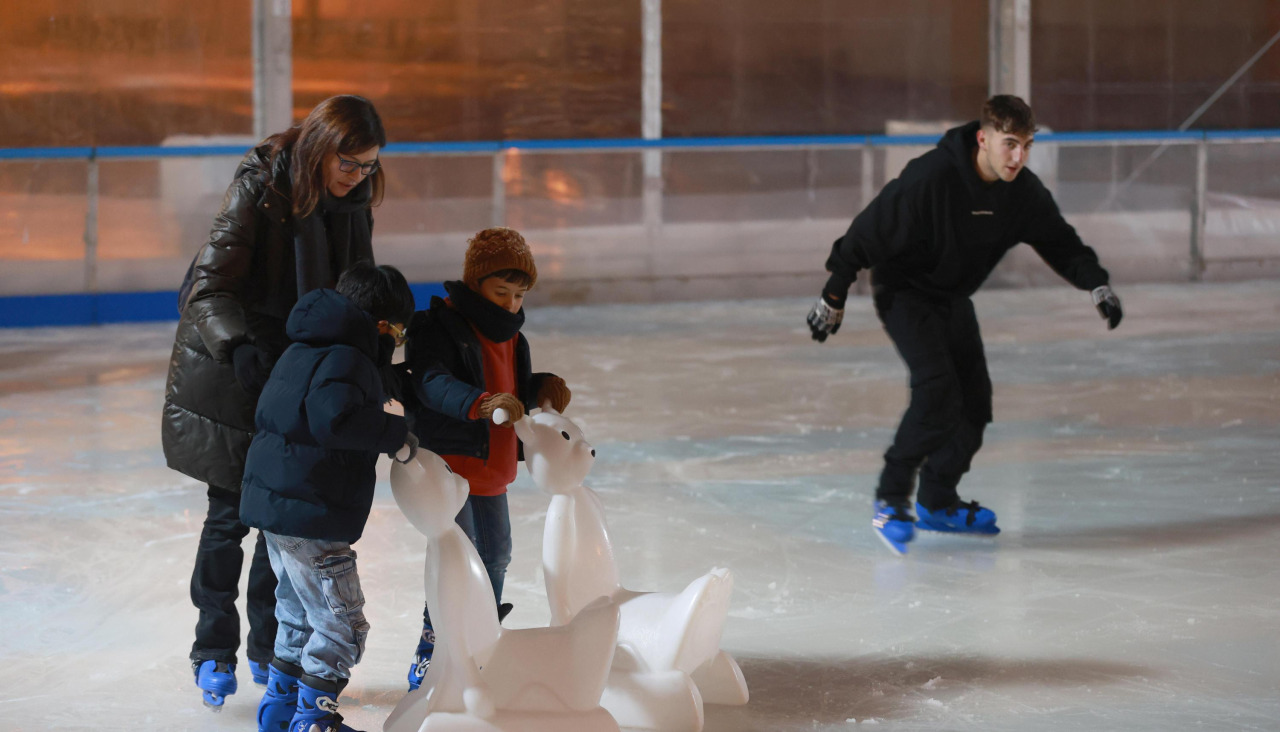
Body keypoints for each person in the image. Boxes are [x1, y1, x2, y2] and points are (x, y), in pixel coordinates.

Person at [806, 94, 1123, 556]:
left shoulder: (1022, 194)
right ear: (983, 138)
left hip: (951, 297)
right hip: (905, 290)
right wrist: (834, 292)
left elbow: (1061, 241)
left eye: (1027, 146)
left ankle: (937, 500)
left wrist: (1096, 284)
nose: (1018, 157)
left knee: (974, 405)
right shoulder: (932, 176)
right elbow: (870, 229)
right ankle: (890, 501)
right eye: (1010, 144)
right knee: (937, 391)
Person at [160, 95, 388, 709]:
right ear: (319, 149)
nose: (359, 177)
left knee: (280, 519)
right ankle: (213, 649)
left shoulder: (354, 202)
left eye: (369, 166)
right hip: (234, 369)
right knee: (230, 514)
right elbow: (209, 287)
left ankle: (269, 646)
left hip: (298, 370)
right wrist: (237, 348)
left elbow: (354, 291)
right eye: (350, 163)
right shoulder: (261, 188)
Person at [240, 262, 418, 732]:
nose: (397, 342)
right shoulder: (348, 358)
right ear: (382, 324)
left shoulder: (304, 347)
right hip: (311, 509)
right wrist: (395, 433)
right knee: (342, 622)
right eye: (399, 331)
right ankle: (314, 721)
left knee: (298, 616)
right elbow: (332, 420)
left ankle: (279, 711)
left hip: (281, 508)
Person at [399, 227, 572, 691]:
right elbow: (432, 383)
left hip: (495, 462)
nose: (512, 304)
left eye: (519, 295)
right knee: (459, 559)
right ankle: (434, 642)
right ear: (475, 284)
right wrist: (481, 402)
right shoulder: (438, 325)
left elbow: (511, 387)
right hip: (453, 463)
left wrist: (540, 387)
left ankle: (482, 635)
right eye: (502, 292)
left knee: (496, 555)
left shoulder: (513, 336)